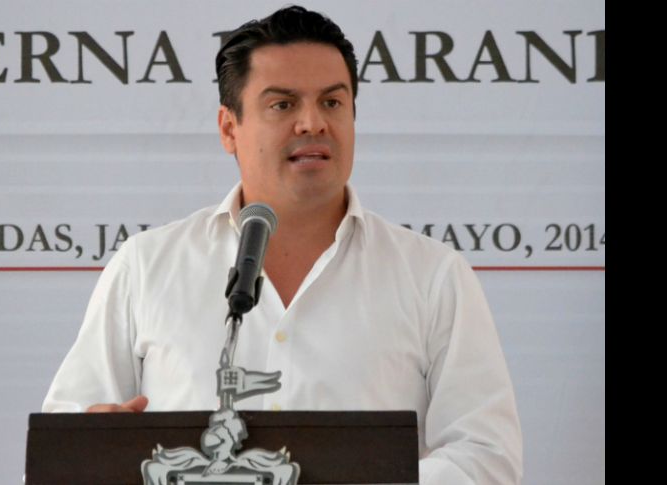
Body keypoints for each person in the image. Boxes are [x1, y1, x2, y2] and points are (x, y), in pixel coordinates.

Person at [43, 5, 523, 484]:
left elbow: (486, 457)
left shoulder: (432, 275)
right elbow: (62, 449)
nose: (312, 123)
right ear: (229, 128)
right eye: (283, 105)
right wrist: (95, 451)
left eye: (332, 103)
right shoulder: (147, 266)